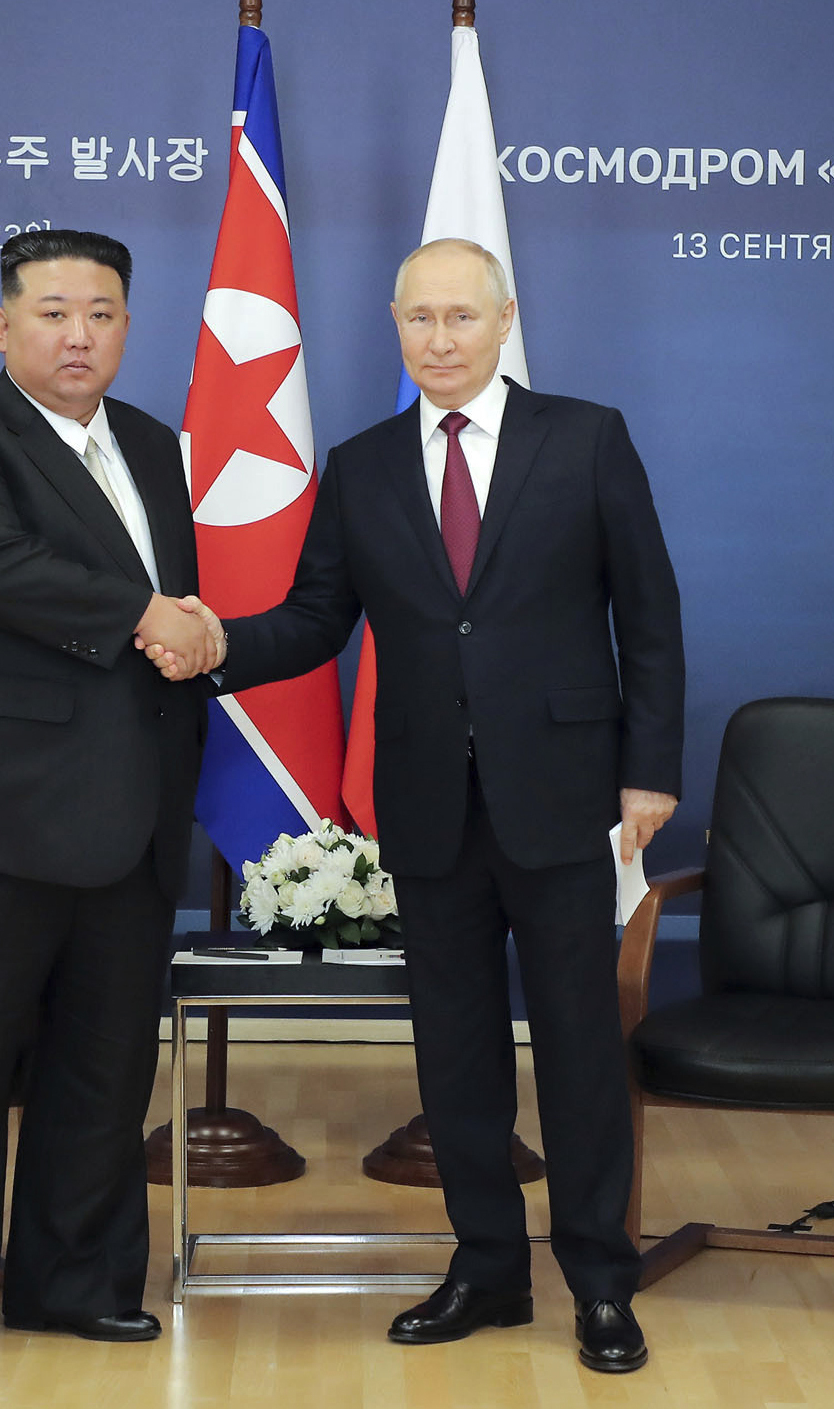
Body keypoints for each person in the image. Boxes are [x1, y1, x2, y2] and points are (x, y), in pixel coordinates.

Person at [149, 237, 683, 1373]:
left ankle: (598, 1279)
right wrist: (212, 642)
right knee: (455, 1053)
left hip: (562, 798)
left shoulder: (584, 438)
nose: (437, 340)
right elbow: (312, 621)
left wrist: (648, 772)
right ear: (393, 327)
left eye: (458, 317)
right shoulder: (361, 463)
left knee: (582, 1050)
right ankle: (486, 1268)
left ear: (501, 321)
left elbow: (648, 616)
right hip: (428, 807)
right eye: (417, 320)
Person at [0, 228, 214, 1372]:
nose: (80, 334)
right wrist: (146, 615)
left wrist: (187, 632)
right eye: (55, 310)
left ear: (126, 324)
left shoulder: (158, 446)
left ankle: (73, 1282)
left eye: (103, 312)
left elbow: (175, 610)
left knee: (102, 1070)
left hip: (134, 815)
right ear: (2, 324)